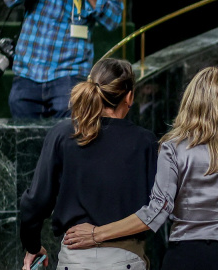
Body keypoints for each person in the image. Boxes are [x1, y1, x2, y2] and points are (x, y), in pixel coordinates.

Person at [63, 67, 218, 270]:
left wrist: (96, 234)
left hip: (185, 257)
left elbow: (157, 211)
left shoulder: (173, 149)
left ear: (191, 101)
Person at [19, 58, 158, 270]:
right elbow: (156, 209)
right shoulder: (145, 141)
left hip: (74, 260)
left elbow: (35, 202)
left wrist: (32, 245)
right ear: (129, 96)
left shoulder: (63, 134)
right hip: (127, 259)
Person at [3, 0, 123, 118]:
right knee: (24, 136)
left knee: (68, 135)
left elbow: (113, 20)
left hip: (70, 72)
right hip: (28, 69)